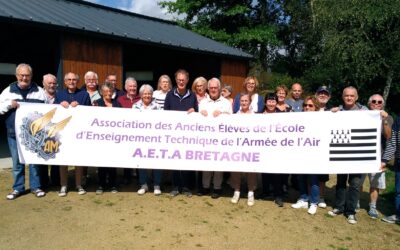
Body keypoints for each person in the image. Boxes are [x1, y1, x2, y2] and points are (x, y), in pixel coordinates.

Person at [0, 63, 46, 200]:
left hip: (33, 134)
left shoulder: (39, 91)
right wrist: (9, 104)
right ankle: (17, 188)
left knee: (34, 161)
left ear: (31, 76)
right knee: (17, 163)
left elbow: (48, 108)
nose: (24, 78)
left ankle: (35, 187)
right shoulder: (8, 91)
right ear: (17, 76)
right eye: (22, 75)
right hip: (14, 133)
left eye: (27, 75)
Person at [328, 86, 368, 224]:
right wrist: (331, 113)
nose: (349, 98)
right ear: (342, 97)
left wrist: (381, 116)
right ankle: (339, 207)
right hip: (342, 151)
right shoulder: (338, 110)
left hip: (358, 153)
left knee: (355, 184)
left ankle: (351, 211)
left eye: (352, 96)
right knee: (340, 182)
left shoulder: (365, 111)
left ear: (356, 97)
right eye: (346, 96)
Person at [55, 72, 91, 197]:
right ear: (65, 82)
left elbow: (90, 113)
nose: (71, 82)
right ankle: (63, 185)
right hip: (63, 133)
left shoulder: (84, 94)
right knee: (63, 160)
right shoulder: (59, 95)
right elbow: (53, 112)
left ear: (77, 81)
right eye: (69, 79)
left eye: (74, 80)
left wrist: (80, 107)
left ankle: (78, 185)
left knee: (78, 159)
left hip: (78, 132)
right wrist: (59, 106)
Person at [164, 69, 198, 197]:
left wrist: (194, 110)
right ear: (176, 80)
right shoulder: (170, 95)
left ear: (187, 81)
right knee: (175, 161)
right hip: (173, 135)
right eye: (179, 80)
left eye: (183, 80)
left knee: (186, 161)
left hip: (188, 136)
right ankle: (175, 186)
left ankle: (186, 187)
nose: (181, 82)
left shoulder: (192, 95)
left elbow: (197, 112)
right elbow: (165, 114)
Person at [198, 78, 232, 199]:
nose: (213, 90)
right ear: (208, 88)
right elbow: (196, 120)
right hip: (205, 139)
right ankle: (205, 186)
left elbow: (232, 119)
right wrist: (199, 114)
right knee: (206, 162)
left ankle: (217, 187)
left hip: (220, 139)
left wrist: (223, 114)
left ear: (219, 89)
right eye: (211, 88)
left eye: (215, 88)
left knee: (218, 164)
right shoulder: (202, 102)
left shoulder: (226, 103)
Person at [360, 94, 393, 218]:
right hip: (362, 155)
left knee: (375, 184)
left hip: (378, 156)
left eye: (380, 102)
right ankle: (356, 202)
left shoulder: (388, 118)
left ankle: (372, 206)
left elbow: (388, 136)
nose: (377, 103)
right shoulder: (363, 115)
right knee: (358, 181)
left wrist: (384, 120)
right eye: (374, 101)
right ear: (369, 103)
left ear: (382, 104)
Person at [291, 96, 321, 215]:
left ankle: (314, 202)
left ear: (316, 107)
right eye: (305, 105)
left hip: (314, 154)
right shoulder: (299, 118)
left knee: (313, 179)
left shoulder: (322, 119)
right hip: (301, 153)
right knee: (301, 177)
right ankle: (303, 198)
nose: (307, 107)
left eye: (310, 105)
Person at [133, 84, 163, 195]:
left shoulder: (158, 107)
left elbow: (163, 122)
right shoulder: (135, 106)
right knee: (141, 162)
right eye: (145, 93)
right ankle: (143, 184)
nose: (147, 95)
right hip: (140, 139)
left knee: (157, 161)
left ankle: (157, 185)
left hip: (155, 139)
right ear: (141, 95)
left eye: (149, 93)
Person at [230, 93, 257, 206]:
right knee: (236, 169)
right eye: (242, 101)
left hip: (251, 146)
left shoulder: (255, 116)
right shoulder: (236, 115)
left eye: (246, 101)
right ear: (239, 102)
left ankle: (251, 192)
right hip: (238, 146)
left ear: (250, 102)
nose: (244, 103)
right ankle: (237, 191)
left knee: (251, 170)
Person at [95, 83, 121, 194]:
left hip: (114, 138)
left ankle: (113, 185)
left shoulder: (117, 104)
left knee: (112, 163)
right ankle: (101, 185)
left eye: (110, 91)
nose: (108, 93)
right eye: (106, 91)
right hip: (101, 138)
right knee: (101, 163)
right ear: (102, 92)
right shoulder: (97, 103)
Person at [261, 93, 284, 207]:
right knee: (264, 172)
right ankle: (265, 192)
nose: (271, 103)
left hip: (277, 148)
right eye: (269, 101)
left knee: (277, 173)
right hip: (263, 147)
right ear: (265, 102)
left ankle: (278, 195)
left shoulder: (282, 115)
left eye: (273, 101)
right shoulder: (259, 115)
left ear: (276, 102)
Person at [117, 77, 141, 184]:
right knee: (127, 154)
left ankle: (139, 176)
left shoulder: (142, 98)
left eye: (134, 86)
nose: (132, 88)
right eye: (130, 86)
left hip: (139, 133)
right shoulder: (120, 99)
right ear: (126, 87)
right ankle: (127, 176)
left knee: (139, 155)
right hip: (125, 133)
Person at [38, 74, 60, 189]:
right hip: (41, 132)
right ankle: (43, 182)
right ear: (43, 83)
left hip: (56, 131)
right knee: (42, 157)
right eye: (49, 83)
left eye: (54, 83)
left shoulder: (60, 96)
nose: (52, 85)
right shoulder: (38, 95)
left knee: (56, 156)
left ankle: (56, 181)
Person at [315, 85, 332, 208]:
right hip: (310, 145)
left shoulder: (333, 112)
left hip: (325, 148)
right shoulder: (310, 109)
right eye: (320, 93)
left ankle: (321, 197)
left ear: (329, 96)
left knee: (322, 175)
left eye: (325, 94)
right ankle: (307, 196)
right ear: (316, 95)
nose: (322, 95)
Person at [381, 116, 400, 224]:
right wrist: (384, 160)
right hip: (399, 160)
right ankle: (398, 215)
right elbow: (393, 142)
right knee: (398, 192)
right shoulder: (398, 120)